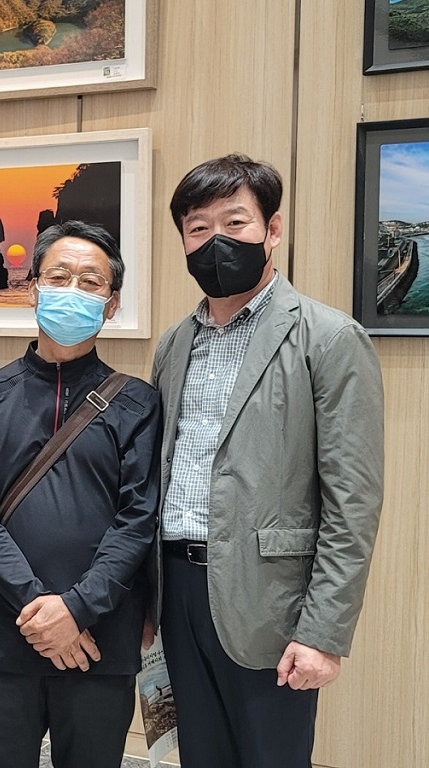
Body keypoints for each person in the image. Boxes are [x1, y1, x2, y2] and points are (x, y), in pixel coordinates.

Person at [152, 154, 384, 768]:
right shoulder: (174, 343)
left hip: (272, 601)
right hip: (177, 589)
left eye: (235, 222)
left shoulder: (329, 338)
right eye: (198, 228)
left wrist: (323, 633)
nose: (216, 241)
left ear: (272, 229)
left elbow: (352, 504)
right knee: (199, 755)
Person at [0, 221, 161, 768]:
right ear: (33, 289)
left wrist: (77, 609)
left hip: (100, 637)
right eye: (59, 277)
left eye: (90, 282)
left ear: (111, 304)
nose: (73, 290)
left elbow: (138, 518)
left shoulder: (137, 403)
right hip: (7, 633)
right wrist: (39, 608)